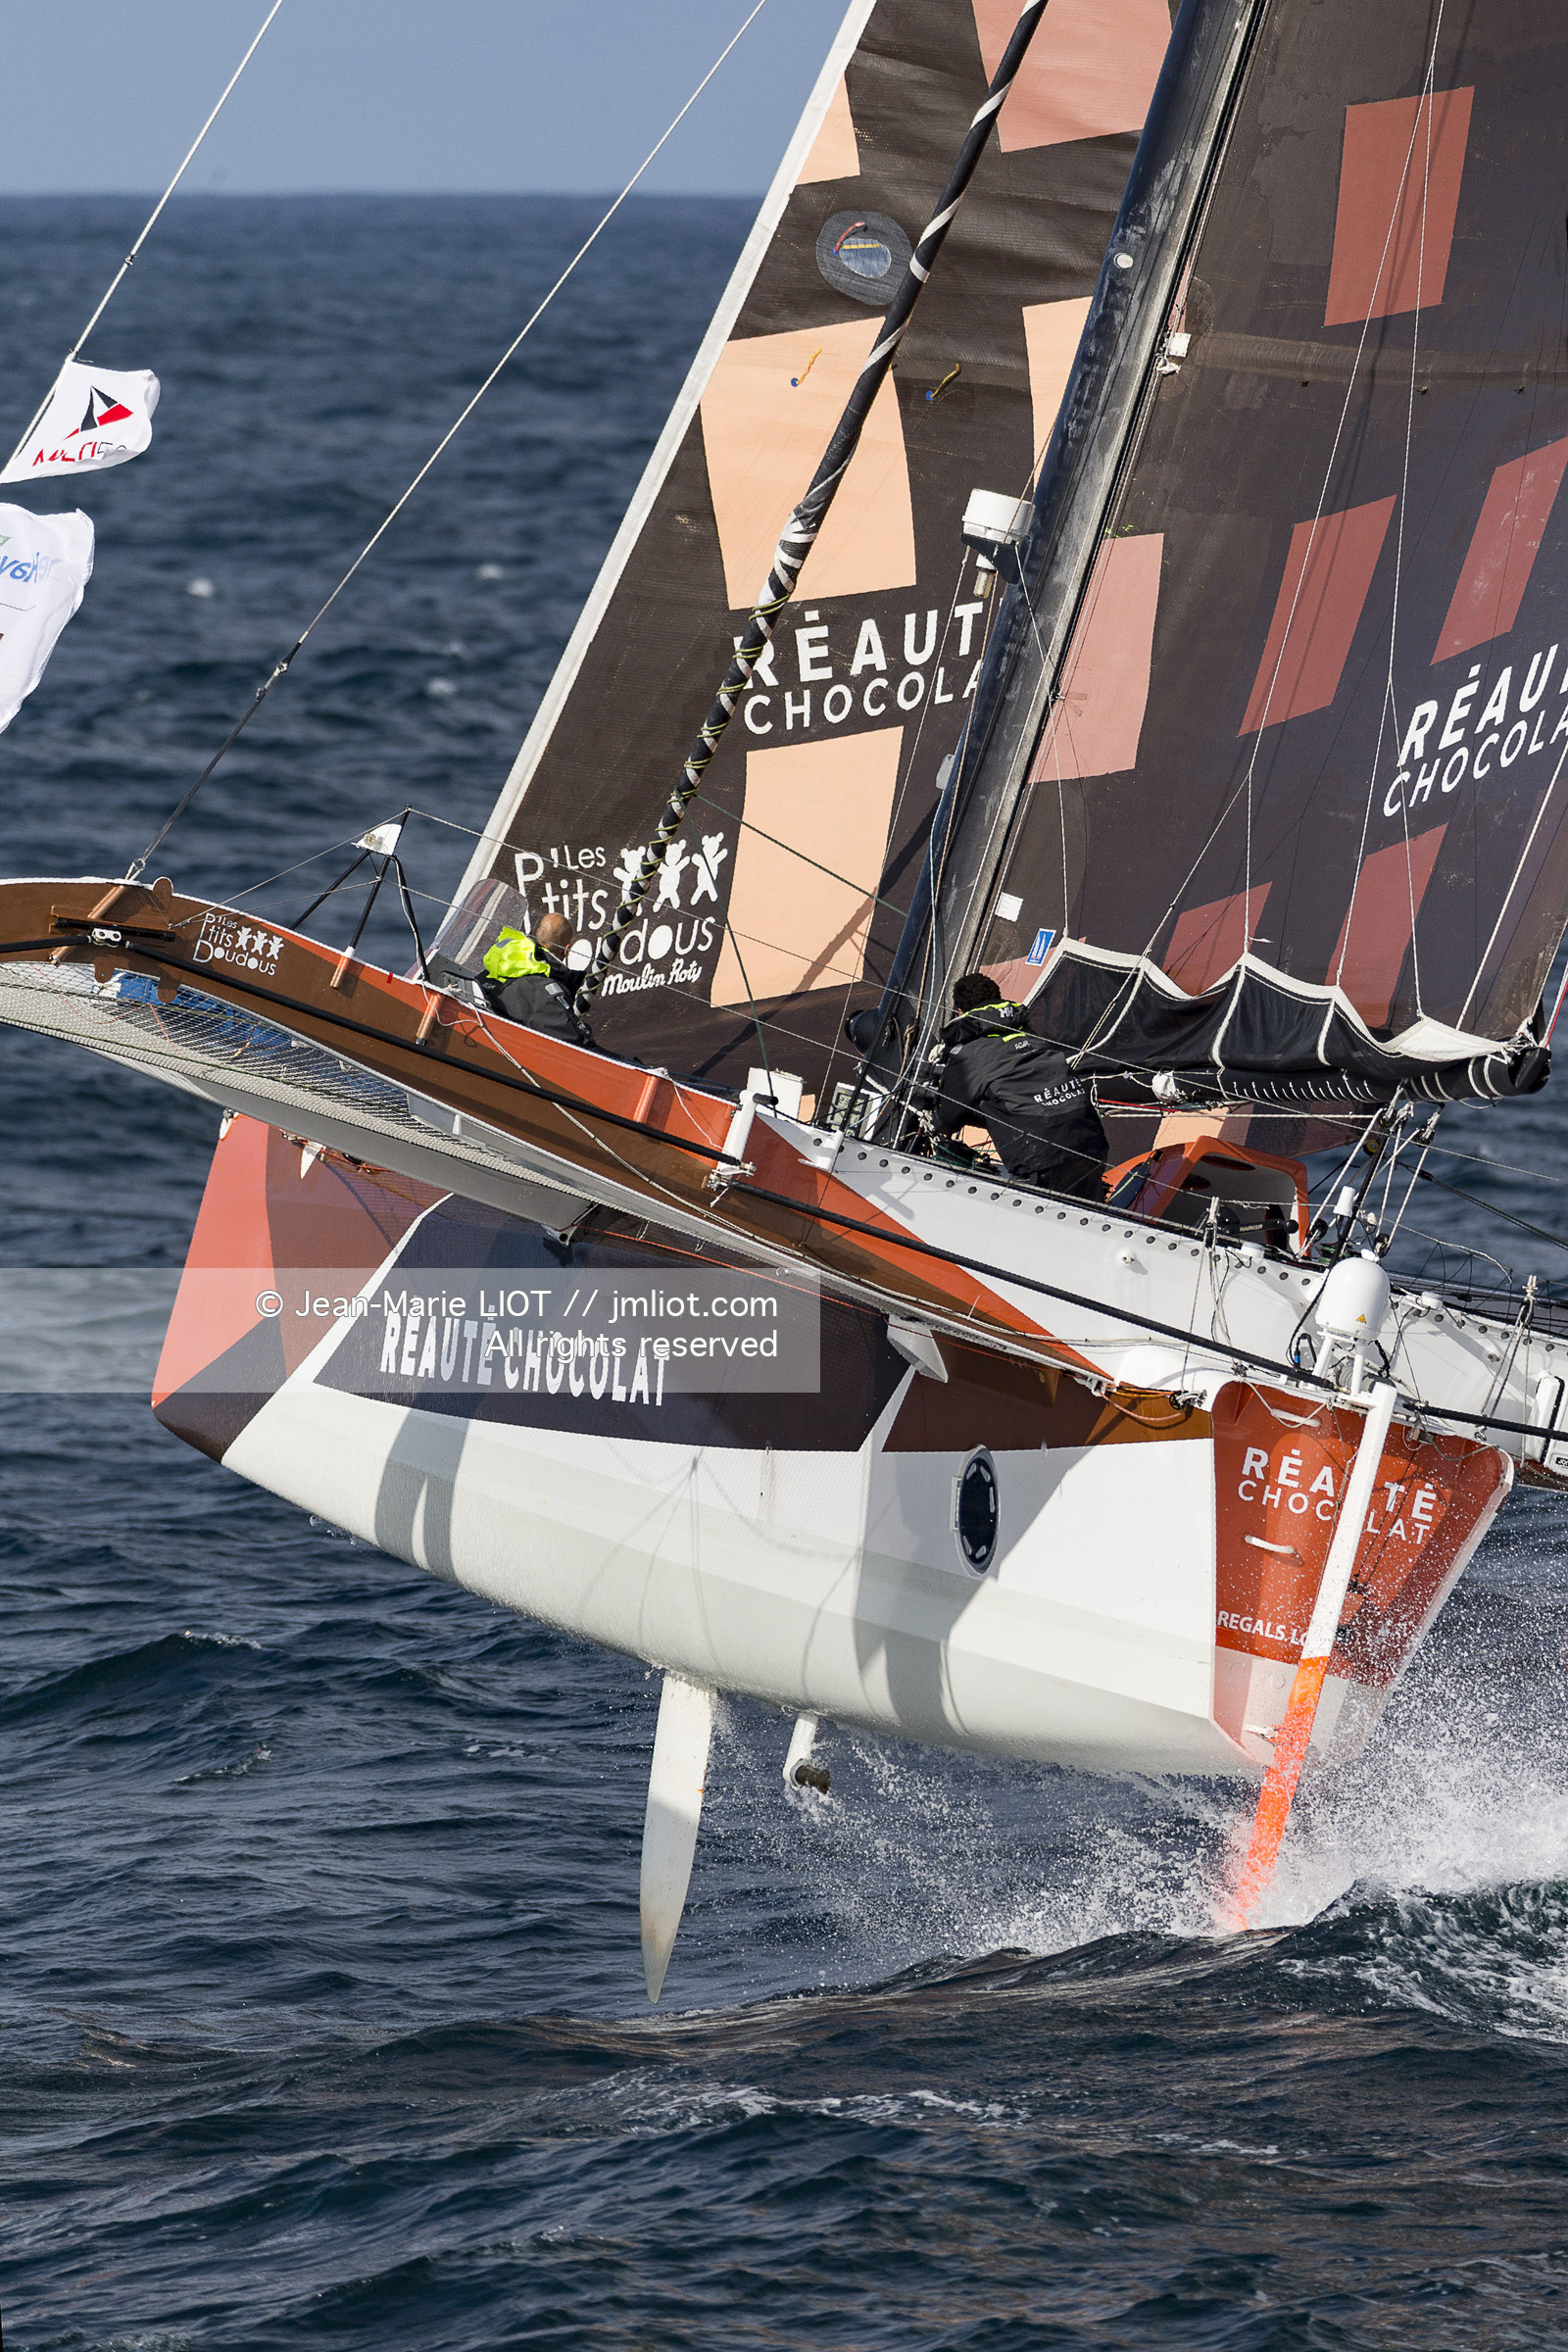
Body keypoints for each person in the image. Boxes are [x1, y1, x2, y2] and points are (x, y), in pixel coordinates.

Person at [928, 972, 1107, 1197]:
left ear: (960, 1012)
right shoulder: (1032, 1034)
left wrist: (934, 1119)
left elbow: (948, 1118)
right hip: (1092, 1142)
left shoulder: (970, 1053)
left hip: (1043, 1159)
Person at [480, 910, 595, 1048]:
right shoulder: (546, 994)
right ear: (566, 950)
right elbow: (574, 1044)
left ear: (531, 934)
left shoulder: (490, 972)